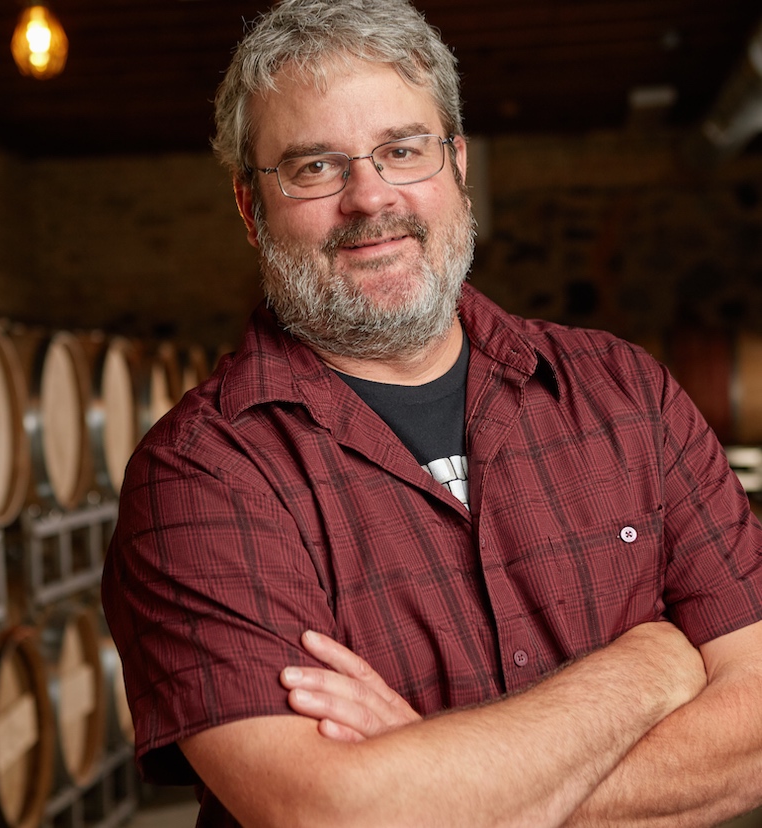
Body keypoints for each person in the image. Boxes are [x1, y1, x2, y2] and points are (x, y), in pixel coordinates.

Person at [101, 1, 762, 825]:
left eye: (402, 151)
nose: (370, 197)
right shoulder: (201, 477)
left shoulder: (627, 393)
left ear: (456, 164)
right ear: (249, 208)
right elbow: (331, 814)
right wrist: (649, 666)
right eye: (314, 167)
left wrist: (447, 783)